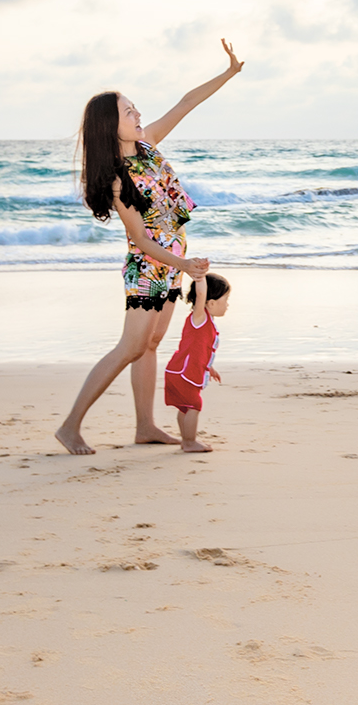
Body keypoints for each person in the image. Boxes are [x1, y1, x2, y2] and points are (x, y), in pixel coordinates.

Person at [54, 42, 244, 456]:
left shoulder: (149, 144)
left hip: (171, 266)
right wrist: (184, 264)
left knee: (151, 345)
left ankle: (145, 427)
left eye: (136, 109)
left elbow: (186, 103)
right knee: (130, 347)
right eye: (129, 112)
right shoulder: (117, 179)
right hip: (148, 268)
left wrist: (229, 73)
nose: (139, 115)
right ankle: (70, 426)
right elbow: (141, 240)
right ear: (110, 126)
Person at [163, 266, 232, 452]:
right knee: (194, 405)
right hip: (184, 373)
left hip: (178, 371)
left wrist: (210, 367)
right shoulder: (199, 318)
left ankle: (186, 439)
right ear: (210, 303)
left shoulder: (206, 321)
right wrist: (200, 276)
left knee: (185, 407)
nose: (228, 304)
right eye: (225, 300)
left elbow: (201, 350)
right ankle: (189, 441)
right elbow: (201, 293)